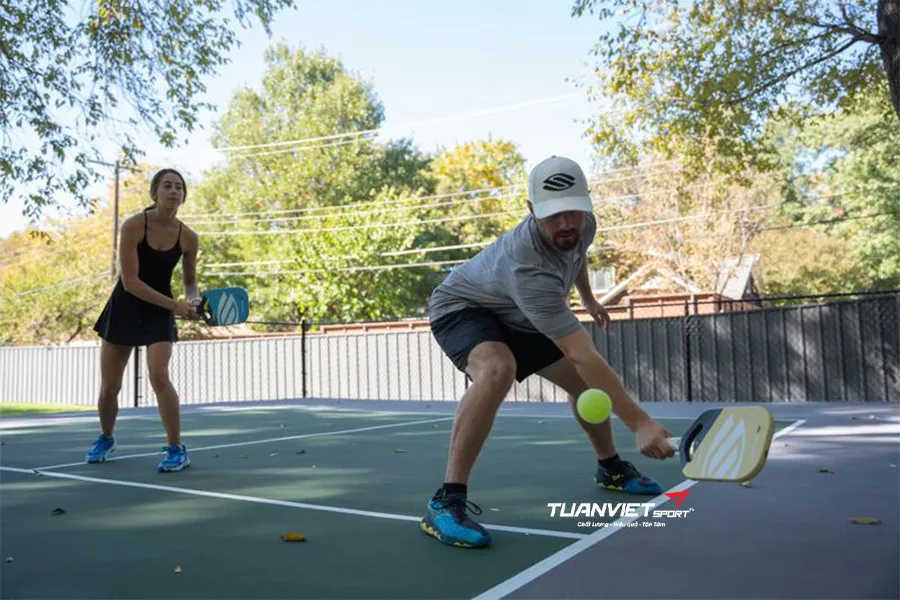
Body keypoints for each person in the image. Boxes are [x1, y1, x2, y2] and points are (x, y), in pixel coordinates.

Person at [421, 155, 676, 548]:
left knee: (584, 386)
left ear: (586, 204)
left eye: (572, 212)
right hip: (463, 307)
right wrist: (640, 421)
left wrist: (589, 299)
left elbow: (575, 255)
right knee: (498, 368)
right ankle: (445, 501)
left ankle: (610, 468)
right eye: (553, 216)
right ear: (530, 211)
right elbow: (582, 353)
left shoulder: (582, 225)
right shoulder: (527, 267)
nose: (565, 224)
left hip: (516, 310)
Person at [86, 168, 202, 472]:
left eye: (179, 187)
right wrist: (175, 306)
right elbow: (131, 282)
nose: (174, 191)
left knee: (159, 375)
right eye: (167, 185)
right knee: (110, 387)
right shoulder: (134, 226)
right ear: (155, 192)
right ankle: (107, 437)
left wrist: (193, 302)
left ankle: (176, 448)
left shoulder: (189, 238)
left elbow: (190, 283)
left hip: (159, 312)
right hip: (126, 306)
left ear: (183, 195)